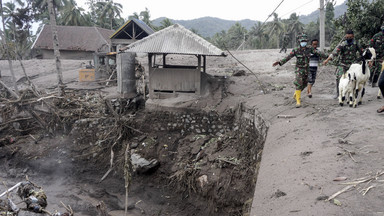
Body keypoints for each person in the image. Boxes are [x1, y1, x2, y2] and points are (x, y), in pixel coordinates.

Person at [273, 33, 328, 108]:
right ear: (299, 41)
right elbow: (288, 57)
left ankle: (296, 94)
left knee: (305, 84)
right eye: (302, 41)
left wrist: (328, 57)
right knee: (299, 83)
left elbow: (318, 53)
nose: (304, 42)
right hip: (299, 69)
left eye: (305, 41)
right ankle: (298, 101)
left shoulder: (310, 48)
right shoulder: (296, 50)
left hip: (307, 69)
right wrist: (280, 62)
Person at [323, 30, 364, 99]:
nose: (349, 38)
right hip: (343, 64)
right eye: (347, 37)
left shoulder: (356, 43)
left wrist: (364, 61)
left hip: (353, 65)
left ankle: (353, 93)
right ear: (345, 37)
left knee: (354, 79)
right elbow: (335, 53)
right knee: (339, 78)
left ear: (353, 36)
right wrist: (327, 60)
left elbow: (362, 53)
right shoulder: (343, 44)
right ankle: (338, 93)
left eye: (350, 37)